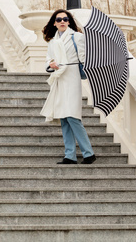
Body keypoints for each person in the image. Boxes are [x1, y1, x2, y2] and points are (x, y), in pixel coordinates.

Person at [40, 9, 96, 165]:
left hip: (71, 76)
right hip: (59, 78)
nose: (62, 21)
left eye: (65, 19)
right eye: (59, 19)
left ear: (69, 21)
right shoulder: (52, 41)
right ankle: (70, 155)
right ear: (54, 23)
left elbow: (84, 57)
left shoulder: (77, 37)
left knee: (72, 116)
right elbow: (47, 61)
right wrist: (51, 65)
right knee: (63, 118)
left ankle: (88, 153)